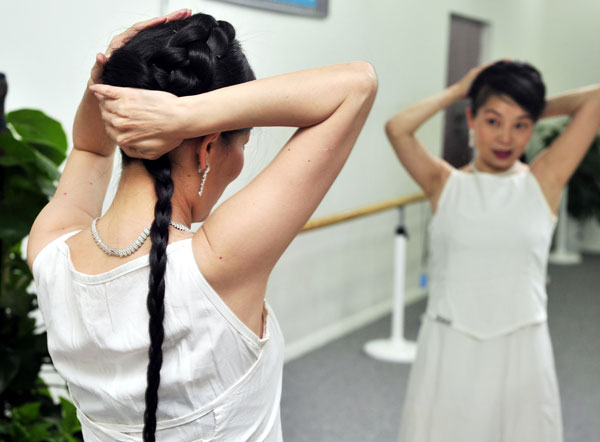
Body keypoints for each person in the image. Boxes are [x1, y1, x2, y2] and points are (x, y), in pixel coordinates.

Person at [27, 9, 377, 441]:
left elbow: (90, 150)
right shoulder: (216, 262)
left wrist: (112, 80)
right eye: (241, 142)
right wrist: (186, 117)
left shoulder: (49, 250)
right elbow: (357, 84)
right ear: (208, 148)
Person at [385, 60, 600, 442]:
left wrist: (528, 103)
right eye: (492, 120)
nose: (505, 137)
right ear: (471, 119)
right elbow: (397, 128)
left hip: (520, 349)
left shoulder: (544, 181)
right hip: (450, 344)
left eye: (521, 125)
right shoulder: (443, 183)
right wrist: (458, 91)